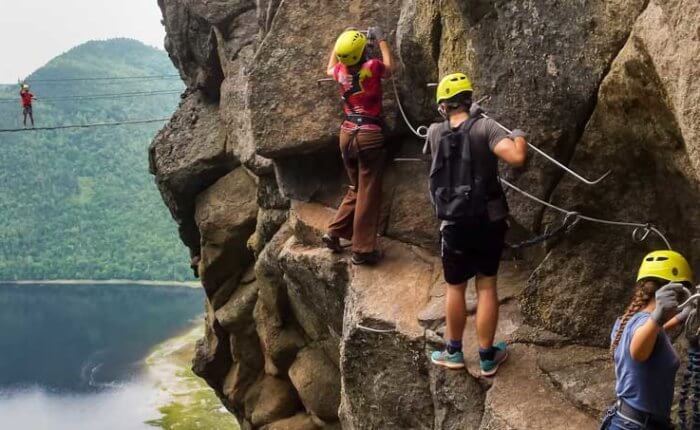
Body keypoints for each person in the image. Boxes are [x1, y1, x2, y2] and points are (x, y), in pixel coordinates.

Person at [427, 73, 528, 376]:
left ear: (443, 105)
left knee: (455, 288)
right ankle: (486, 356)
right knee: (486, 285)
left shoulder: (434, 132)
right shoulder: (486, 127)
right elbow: (516, 157)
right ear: (469, 99)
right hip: (488, 219)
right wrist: (519, 134)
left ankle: (454, 352)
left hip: (453, 221)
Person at [321, 27, 394, 266]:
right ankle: (363, 250)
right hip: (369, 135)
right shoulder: (371, 67)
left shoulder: (340, 71)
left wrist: (338, 43)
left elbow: (329, 67)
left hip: (347, 134)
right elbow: (390, 69)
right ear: (363, 52)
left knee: (355, 186)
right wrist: (382, 40)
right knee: (368, 191)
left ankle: (334, 232)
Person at [600, 250, 694, 430]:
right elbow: (637, 351)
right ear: (675, 292)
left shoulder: (625, 321)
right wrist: (658, 316)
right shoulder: (645, 326)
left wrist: (680, 317)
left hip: (626, 420)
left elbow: (653, 336)